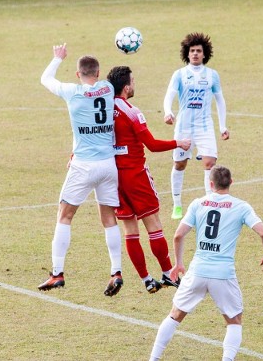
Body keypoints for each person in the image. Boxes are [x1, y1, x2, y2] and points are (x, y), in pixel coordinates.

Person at [148, 165, 263, 361]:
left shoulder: (198, 203)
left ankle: (153, 359)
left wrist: (179, 263)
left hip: (197, 271)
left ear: (211, 183)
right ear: (231, 182)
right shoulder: (241, 206)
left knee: (174, 316)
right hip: (223, 274)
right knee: (234, 321)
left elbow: (178, 235)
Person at [38, 43, 124, 297]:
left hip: (84, 165)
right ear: (98, 73)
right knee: (109, 218)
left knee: (64, 215)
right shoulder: (108, 88)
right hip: (109, 164)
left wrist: (57, 58)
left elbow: (45, 79)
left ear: (78, 74)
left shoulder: (71, 91)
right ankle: (116, 271)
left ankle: (57, 272)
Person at [107, 65, 192, 294]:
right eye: (132, 82)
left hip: (113, 178)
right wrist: (179, 143)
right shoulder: (131, 111)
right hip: (135, 174)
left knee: (130, 231)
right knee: (154, 227)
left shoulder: (103, 110)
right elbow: (152, 145)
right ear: (126, 87)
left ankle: (146, 279)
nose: (134, 85)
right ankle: (168, 273)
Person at [163, 32, 229, 221]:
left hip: (204, 126)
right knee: (180, 164)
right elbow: (170, 95)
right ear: (187, 53)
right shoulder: (180, 74)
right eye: (192, 50)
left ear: (204, 53)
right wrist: (168, 111)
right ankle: (177, 204)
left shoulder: (212, 75)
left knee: (209, 163)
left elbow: (220, 101)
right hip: (184, 127)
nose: (195, 54)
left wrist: (222, 127)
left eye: (199, 51)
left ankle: (209, 203)